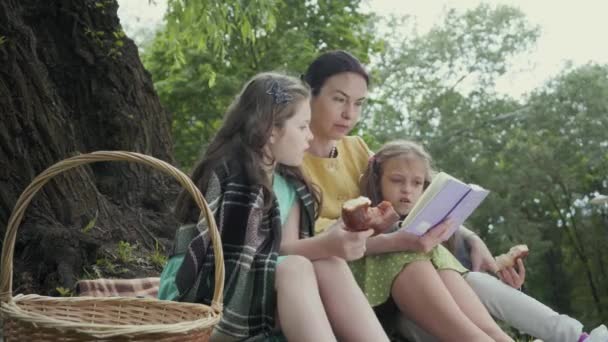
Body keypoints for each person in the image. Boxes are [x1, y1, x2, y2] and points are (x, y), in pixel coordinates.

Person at [158, 72, 388, 341]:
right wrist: (327, 244)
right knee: (296, 268)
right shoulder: (232, 176)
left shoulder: (290, 181)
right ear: (271, 130)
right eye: (302, 127)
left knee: (329, 263)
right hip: (207, 291)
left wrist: (332, 243)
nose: (310, 137)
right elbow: (233, 260)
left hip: (257, 286)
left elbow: (283, 248)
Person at [301, 50, 512, 341]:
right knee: (410, 257)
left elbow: (409, 201)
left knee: (484, 327)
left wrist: (470, 237)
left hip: (392, 256)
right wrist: (395, 240)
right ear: (308, 94)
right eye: (339, 99)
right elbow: (308, 240)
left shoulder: (357, 148)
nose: (350, 114)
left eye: (359, 103)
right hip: (338, 267)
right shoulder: (289, 159)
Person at [361, 140, 608, 342]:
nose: (407, 190)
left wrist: (475, 242)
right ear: (378, 181)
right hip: (405, 316)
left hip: (455, 313)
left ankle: (576, 337)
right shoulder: (370, 223)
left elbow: (459, 286)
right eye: (397, 180)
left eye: (416, 183)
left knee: (476, 280)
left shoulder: (433, 227)